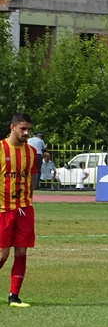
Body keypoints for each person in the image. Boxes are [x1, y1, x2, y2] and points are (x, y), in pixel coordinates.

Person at [0, 113, 38, 307]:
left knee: (21, 252)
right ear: (12, 127)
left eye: (28, 129)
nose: (26, 133)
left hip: (24, 209)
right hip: (2, 210)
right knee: (2, 255)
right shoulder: (0, 149)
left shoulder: (31, 153)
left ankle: (14, 296)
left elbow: (29, 180)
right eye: (23, 129)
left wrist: (29, 201)